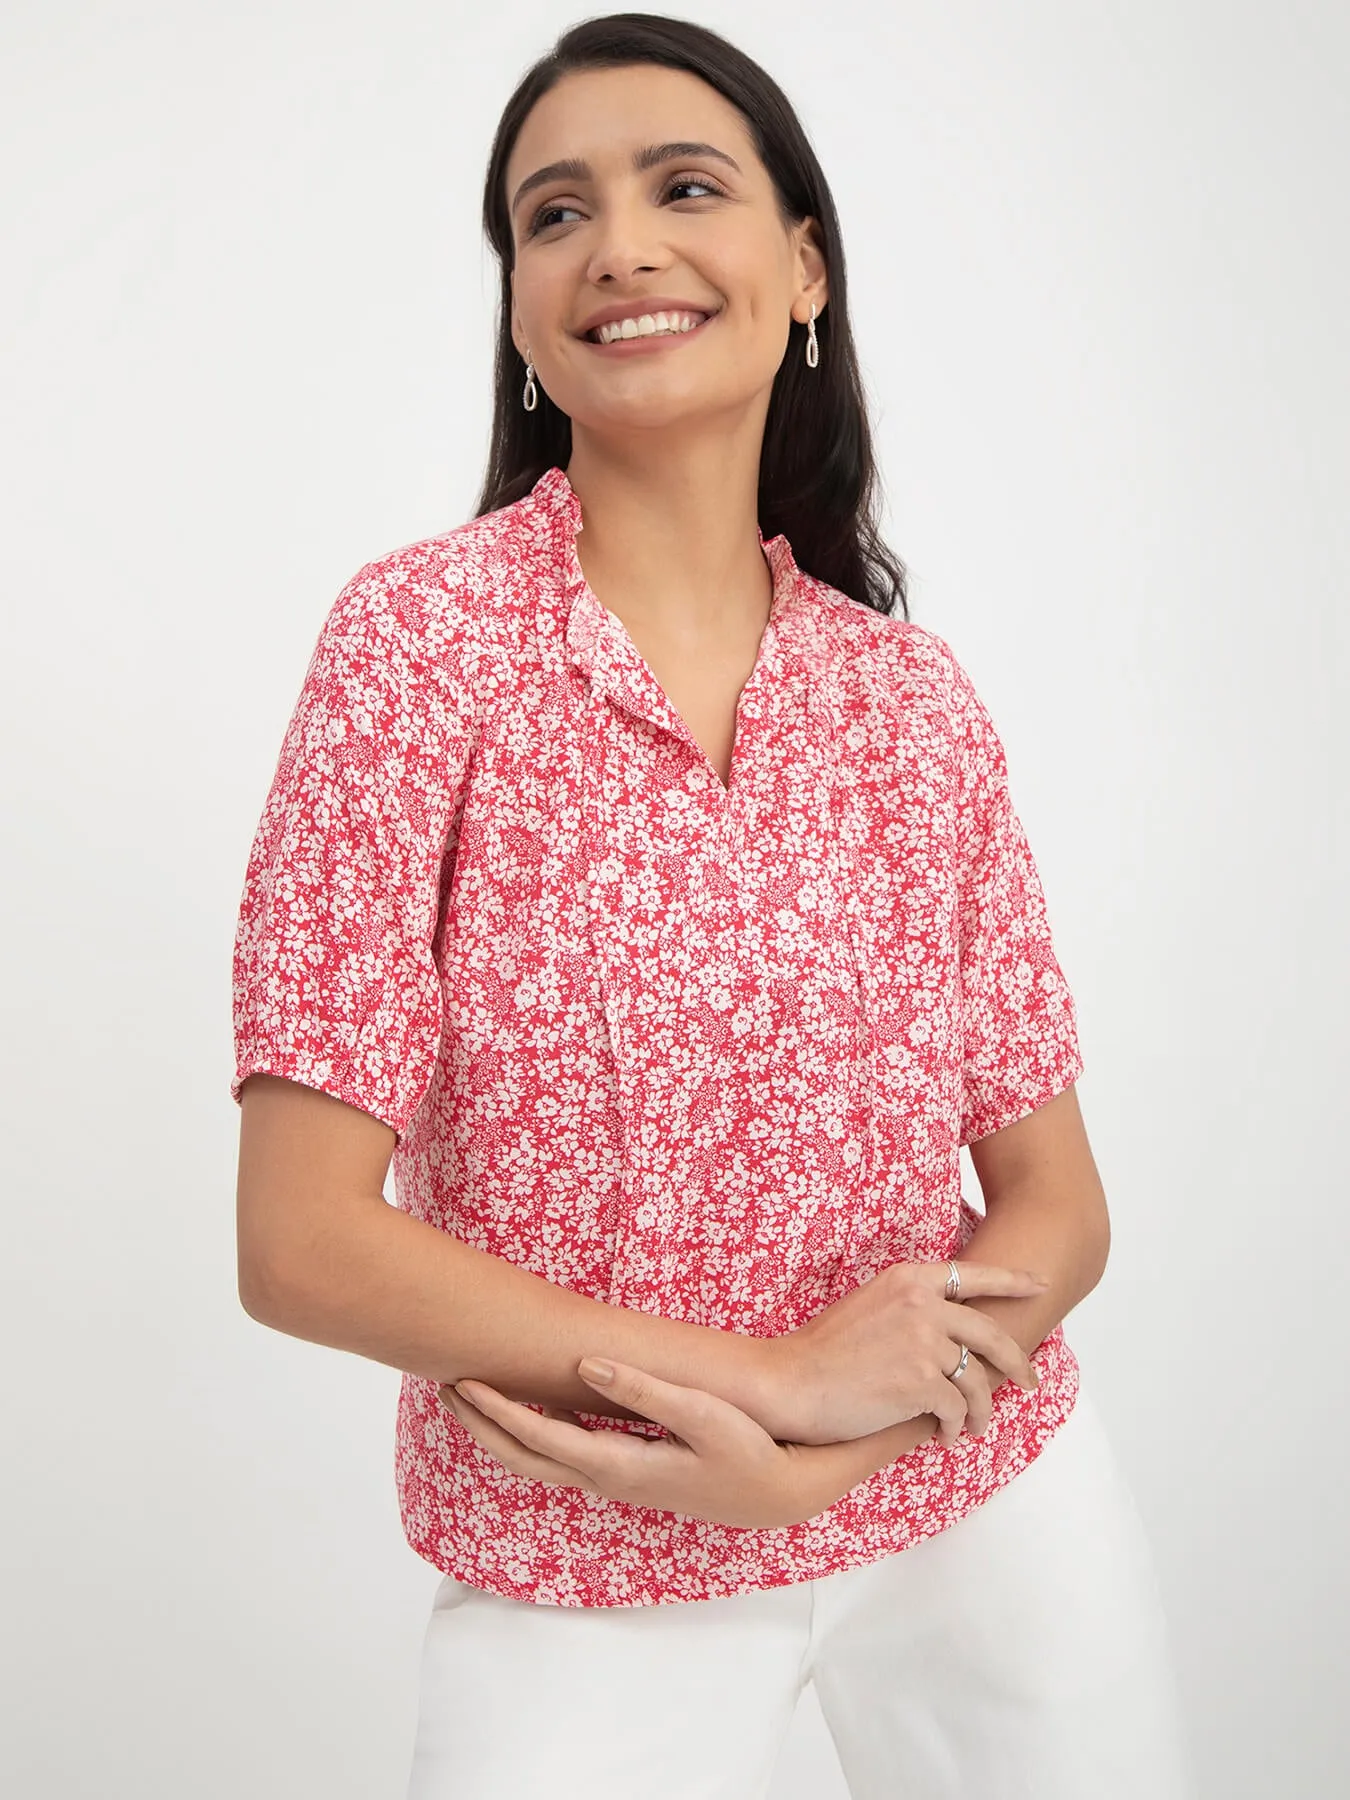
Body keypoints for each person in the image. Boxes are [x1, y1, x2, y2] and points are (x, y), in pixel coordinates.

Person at [230, 13, 1194, 1798]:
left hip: (990, 1519)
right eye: (553, 213)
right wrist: (768, 1388)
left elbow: (1055, 1201)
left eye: (687, 187)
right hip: (588, 1569)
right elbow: (298, 1244)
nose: (622, 245)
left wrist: (845, 1440)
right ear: (520, 307)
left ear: (801, 263)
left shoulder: (910, 703)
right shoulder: (417, 652)